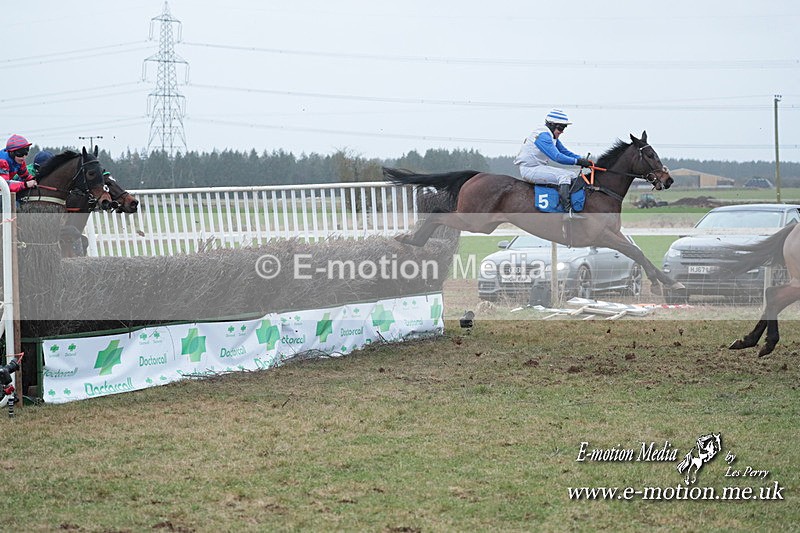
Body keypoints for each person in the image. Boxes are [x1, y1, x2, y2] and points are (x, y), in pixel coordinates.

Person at [514, 109, 593, 214]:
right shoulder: (543, 136)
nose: (562, 131)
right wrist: (577, 161)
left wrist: (582, 159)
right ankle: (567, 210)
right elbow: (557, 157)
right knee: (564, 177)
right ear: (551, 125)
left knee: (572, 175)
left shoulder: (550, 135)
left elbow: (564, 151)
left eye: (564, 128)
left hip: (538, 167)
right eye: (560, 128)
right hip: (530, 169)